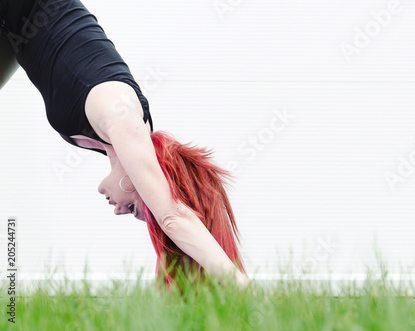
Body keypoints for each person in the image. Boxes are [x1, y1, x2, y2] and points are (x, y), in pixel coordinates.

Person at [0, 0, 248, 287]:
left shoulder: (111, 138)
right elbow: (172, 217)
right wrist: (244, 290)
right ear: (147, 182)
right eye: (132, 208)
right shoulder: (125, 120)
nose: (118, 211)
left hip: (15, 27)